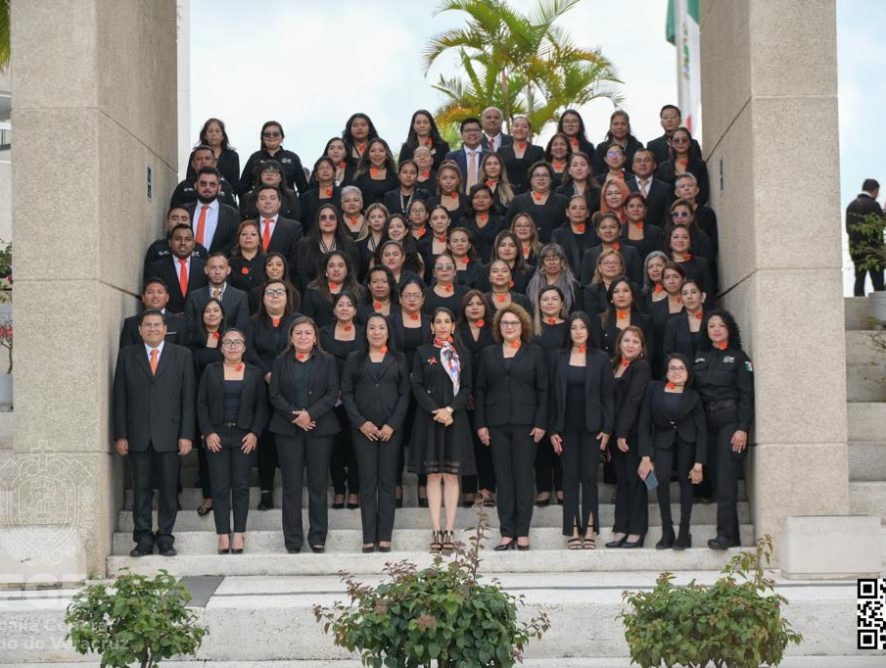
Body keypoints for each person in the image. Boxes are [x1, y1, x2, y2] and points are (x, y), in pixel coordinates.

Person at [113, 310, 195, 557]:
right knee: (141, 489)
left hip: (170, 434)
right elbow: (120, 398)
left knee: (169, 490)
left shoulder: (182, 355)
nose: (152, 329)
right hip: (137, 435)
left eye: (156, 325)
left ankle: (166, 536)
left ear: (165, 328)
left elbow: (188, 398)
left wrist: (186, 434)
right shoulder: (127, 356)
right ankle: (143, 538)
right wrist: (121, 434)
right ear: (140, 330)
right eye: (147, 325)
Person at [474, 304, 548, 551]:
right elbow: (480, 390)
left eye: (514, 323)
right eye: (505, 323)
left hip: (526, 424)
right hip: (496, 424)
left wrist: (540, 423)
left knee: (524, 478)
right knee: (503, 479)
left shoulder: (535, 352)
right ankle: (507, 533)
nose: (509, 327)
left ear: (522, 326)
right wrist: (481, 424)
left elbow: (543, 391)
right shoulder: (488, 353)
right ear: (498, 327)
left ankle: (522, 532)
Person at [268, 317, 340, 553]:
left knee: (319, 485)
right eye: (298, 333)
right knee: (291, 486)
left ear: (315, 337)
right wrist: (295, 416)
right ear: (291, 337)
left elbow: (332, 394)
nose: (303, 337)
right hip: (287, 430)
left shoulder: (328, 361)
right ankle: (293, 539)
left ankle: (318, 535)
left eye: (308, 333)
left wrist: (310, 414)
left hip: (320, 429)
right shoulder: (280, 361)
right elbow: (275, 394)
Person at [341, 313, 411, 552]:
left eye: (381, 328)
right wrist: (360, 423)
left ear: (388, 332)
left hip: (391, 429)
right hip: (364, 430)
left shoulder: (399, 359)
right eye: (372, 328)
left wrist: (393, 424)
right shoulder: (354, 359)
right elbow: (347, 394)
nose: (377, 332)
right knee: (368, 483)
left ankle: (385, 536)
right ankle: (368, 536)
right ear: (366, 332)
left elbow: (405, 394)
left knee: (388, 482)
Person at [196, 328, 267, 554]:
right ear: (221, 347)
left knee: (241, 486)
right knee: (219, 486)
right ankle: (223, 534)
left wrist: (255, 433)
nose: (233, 346)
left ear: (245, 347)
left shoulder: (255, 373)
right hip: (216, 435)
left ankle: (239, 533)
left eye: (238, 342)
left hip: (243, 436)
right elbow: (202, 404)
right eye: (228, 342)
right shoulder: (210, 370)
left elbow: (262, 407)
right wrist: (208, 432)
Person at [411, 307, 475, 552]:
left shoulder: (462, 354)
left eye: (447, 321)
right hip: (429, 419)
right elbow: (416, 385)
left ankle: (449, 529)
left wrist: (450, 410)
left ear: (453, 325)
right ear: (431, 326)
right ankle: (435, 528)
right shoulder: (422, 352)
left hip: (454, 419)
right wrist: (436, 411)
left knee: (451, 475)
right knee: (433, 475)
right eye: (438, 321)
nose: (442, 325)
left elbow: (467, 388)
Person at [549, 311, 614, 548]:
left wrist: (607, 430)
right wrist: (552, 429)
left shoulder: (600, 358)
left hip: (592, 428)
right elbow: (551, 397)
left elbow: (608, 396)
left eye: (582, 327)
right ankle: (572, 529)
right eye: (573, 328)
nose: (578, 331)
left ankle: (589, 529)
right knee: (569, 478)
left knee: (589, 478)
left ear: (589, 331)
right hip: (565, 427)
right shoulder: (558, 357)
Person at [693, 310, 754, 551]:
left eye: (720, 325)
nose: (716, 329)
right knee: (718, 479)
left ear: (729, 328)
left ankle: (725, 536)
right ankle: (734, 534)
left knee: (727, 479)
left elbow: (747, 396)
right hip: (706, 423)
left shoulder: (739, 358)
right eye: (711, 326)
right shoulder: (700, 357)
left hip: (730, 423)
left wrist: (742, 428)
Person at [638, 353, 707, 550]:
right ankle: (667, 531)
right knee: (662, 481)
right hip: (661, 442)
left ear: (688, 372)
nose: (677, 372)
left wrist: (699, 463)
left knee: (686, 483)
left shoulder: (693, 395)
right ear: (666, 372)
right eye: (673, 368)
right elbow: (644, 423)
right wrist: (645, 456)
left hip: (687, 442)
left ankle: (684, 532)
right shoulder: (654, 389)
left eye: (681, 368)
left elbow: (702, 430)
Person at [246, 279, 299, 510]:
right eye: (270, 292)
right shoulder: (252, 322)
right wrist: (267, 373)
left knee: (290, 440)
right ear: (263, 297)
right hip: (262, 386)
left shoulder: (297, 321)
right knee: (265, 439)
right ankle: (266, 490)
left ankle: (293, 488)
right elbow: (249, 350)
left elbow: (302, 347)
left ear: (287, 297)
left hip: (291, 388)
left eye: (280, 292)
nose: (275, 296)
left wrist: (281, 375)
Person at [319, 292, 366, 510]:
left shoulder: (364, 333)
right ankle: (339, 489)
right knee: (334, 446)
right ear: (334, 309)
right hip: (331, 398)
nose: (345, 308)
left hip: (358, 399)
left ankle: (355, 490)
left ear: (356, 310)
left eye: (349, 305)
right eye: (341, 305)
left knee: (356, 446)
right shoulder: (323, 334)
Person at [606, 326, 651, 549]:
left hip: (632, 434)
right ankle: (620, 527)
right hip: (616, 434)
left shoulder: (641, 367)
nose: (630, 344)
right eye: (626, 340)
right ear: (619, 343)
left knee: (636, 482)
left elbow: (633, 401)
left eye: (635, 341)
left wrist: (622, 433)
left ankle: (636, 530)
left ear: (642, 347)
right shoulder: (614, 366)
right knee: (622, 482)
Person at [187, 298, 227, 518]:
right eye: (207, 311)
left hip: (229, 401)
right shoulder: (193, 340)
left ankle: (226, 496)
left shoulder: (231, 339)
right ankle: (209, 495)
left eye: (216, 310)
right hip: (202, 402)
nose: (212, 314)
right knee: (206, 452)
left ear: (223, 315)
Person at [458, 290, 496, 507]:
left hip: (489, 394)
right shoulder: (457, 330)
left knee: (486, 445)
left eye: (479, 303)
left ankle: (488, 489)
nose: (474, 307)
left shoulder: (493, 329)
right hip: (463, 394)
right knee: (467, 444)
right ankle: (468, 489)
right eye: (470, 303)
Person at [294, 204, 360, 292]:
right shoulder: (305, 244)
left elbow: (354, 271)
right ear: (318, 221)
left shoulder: (349, 243)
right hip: (312, 294)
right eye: (323, 218)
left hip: (344, 295)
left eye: (332, 217)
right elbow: (301, 274)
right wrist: (314, 292)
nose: (327, 221)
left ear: (338, 221)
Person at [146, 224, 208, 314]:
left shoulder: (205, 267)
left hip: (197, 322)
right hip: (167, 322)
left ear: (194, 244)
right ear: (170, 242)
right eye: (178, 239)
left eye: (188, 239)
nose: (183, 243)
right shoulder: (156, 268)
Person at [183, 253, 251, 333]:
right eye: (213, 268)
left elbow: (241, 329)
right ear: (206, 270)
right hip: (200, 344)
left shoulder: (240, 297)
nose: (217, 272)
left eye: (221, 268)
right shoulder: (194, 296)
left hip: (229, 344)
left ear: (228, 270)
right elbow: (190, 327)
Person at [238, 121, 309, 196]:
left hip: (287, 204)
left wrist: (296, 205)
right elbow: (242, 187)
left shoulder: (292, 158)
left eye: (275, 134)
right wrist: (248, 204)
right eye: (267, 134)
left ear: (282, 137)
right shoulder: (255, 158)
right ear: (262, 138)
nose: (271, 136)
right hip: (261, 205)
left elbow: (303, 188)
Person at [590, 277, 654, 359]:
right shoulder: (599, 320)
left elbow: (649, 353)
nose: (621, 295)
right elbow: (597, 351)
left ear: (632, 296)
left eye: (625, 291)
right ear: (611, 298)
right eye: (616, 291)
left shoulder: (646, 321)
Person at [505, 161, 569, 243]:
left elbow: (566, 227)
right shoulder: (518, 201)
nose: (541, 178)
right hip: (524, 248)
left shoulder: (562, 201)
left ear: (551, 179)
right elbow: (508, 227)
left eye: (545, 175)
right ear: (531, 179)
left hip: (554, 249)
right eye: (537, 175)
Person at [182, 167, 239, 256]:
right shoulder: (183, 211)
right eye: (203, 184)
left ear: (219, 188)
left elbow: (233, 243)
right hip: (187, 266)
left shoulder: (232, 214)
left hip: (218, 267)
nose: (207, 188)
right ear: (195, 185)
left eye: (212, 184)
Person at [302, 250, 364, 328]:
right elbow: (307, 319)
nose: (336, 269)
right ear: (325, 270)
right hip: (319, 336)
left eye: (340, 265)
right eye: (331, 266)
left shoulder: (359, 291)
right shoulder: (312, 290)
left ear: (347, 270)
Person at [119, 278, 188, 348]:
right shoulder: (131, 323)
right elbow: (125, 355)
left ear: (167, 297)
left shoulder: (180, 322)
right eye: (150, 292)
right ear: (143, 297)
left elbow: (184, 353)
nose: (155, 296)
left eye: (160, 292)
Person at [143, 207, 207, 279]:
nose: (179, 222)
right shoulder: (157, 248)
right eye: (175, 218)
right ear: (167, 223)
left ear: (190, 222)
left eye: (184, 219)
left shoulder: (200, 250)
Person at [580, 211, 643, 286]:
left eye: (612, 227)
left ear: (620, 231)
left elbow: (637, 283)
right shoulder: (589, 254)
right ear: (597, 232)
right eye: (603, 227)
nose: (608, 231)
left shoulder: (631, 252)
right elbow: (585, 285)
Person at [846, 178, 885, 295]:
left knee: (859, 280)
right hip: (873, 250)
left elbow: (849, 229)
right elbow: (880, 225)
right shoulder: (873, 205)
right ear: (875, 190)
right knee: (878, 284)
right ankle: (881, 311)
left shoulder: (851, 205)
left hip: (855, 248)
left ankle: (858, 309)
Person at [254, 185, 304, 271]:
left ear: (279, 203)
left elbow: (296, 260)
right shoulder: (247, 227)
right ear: (257, 204)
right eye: (263, 198)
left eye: (272, 198)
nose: (267, 202)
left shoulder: (294, 228)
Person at [171, 146, 238, 209]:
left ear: (214, 163)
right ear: (193, 164)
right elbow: (174, 213)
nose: (203, 162)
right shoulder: (183, 187)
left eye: (207, 158)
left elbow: (234, 213)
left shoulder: (225, 187)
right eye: (199, 159)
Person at [657, 126, 709, 205]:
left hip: (694, 210)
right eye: (677, 141)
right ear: (671, 143)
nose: (680, 143)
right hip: (670, 212)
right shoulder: (663, 167)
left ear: (690, 142)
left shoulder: (700, 165)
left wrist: (692, 207)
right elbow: (661, 193)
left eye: (684, 140)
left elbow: (704, 192)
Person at [551, 194, 598, 277]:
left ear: (587, 213)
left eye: (582, 208)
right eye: (574, 208)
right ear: (567, 212)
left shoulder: (596, 234)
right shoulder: (558, 234)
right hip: (566, 279)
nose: (578, 211)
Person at [497, 115, 545, 194]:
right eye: (516, 126)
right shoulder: (502, 150)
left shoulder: (538, 151)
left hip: (531, 194)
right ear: (512, 129)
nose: (520, 128)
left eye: (524, 126)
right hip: (506, 194)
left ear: (529, 130)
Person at [525, 244, 579, 314]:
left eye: (555, 259)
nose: (551, 263)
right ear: (542, 264)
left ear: (562, 262)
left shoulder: (572, 286)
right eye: (547, 260)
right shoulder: (532, 285)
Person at [663, 278, 707, 365]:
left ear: (702, 296)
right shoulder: (673, 324)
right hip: (683, 375)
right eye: (685, 293)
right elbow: (669, 354)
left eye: (693, 292)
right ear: (681, 299)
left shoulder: (712, 320)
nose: (689, 297)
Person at [187, 118, 241, 188]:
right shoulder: (196, 154)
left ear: (223, 136)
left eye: (217, 131)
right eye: (210, 131)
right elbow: (190, 178)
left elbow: (235, 184)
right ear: (205, 136)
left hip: (224, 195)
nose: (214, 134)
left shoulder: (232, 156)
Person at [626, 149, 673, 226]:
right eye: (638, 161)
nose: (642, 164)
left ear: (654, 165)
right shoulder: (625, 187)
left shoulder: (665, 188)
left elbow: (667, 218)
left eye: (647, 160)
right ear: (633, 166)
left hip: (658, 235)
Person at [591, 110, 644, 178]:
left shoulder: (637, 147)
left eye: (623, 124)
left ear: (628, 126)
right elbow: (596, 172)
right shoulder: (601, 148)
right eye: (616, 124)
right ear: (610, 126)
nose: (619, 127)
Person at [460, 184, 504, 263]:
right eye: (476, 197)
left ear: (491, 201)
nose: (480, 200)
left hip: (494, 265)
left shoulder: (501, 221)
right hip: (468, 265)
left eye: (485, 197)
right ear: (471, 201)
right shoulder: (463, 222)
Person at [443, 117, 488, 192]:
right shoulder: (451, 156)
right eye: (468, 130)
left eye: (476, 130)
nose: (472, 133)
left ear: (481, 133)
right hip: (458, 200)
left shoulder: (490, 156)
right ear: (461, 134)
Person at [354, 138, 400, 206]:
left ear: (387, 155)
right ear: (368, 155)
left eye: (381, 151)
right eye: (373, 151)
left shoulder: (395, 176)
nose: (377, 154)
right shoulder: (360, 177)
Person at [300, 157, 341, 233]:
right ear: (315, 175)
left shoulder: (343, 193)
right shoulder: (307, 197)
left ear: (334, 173)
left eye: (328, 168)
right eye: (321, 168)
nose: (325, 170)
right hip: (312, 238)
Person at [621, 192, 663, 262]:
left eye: (639, 206)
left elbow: (661, 256)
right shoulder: (619, 231)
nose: (636, 209)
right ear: (625, 210)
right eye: (631, 206)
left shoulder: (655, 232)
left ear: (645, 210)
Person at [228, 220, 265, 295]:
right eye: (244, 234)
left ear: (259, 240)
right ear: (238, 239)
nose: (248, 237)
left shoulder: (267, 261)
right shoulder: (230, 263)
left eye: (253, 234)